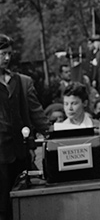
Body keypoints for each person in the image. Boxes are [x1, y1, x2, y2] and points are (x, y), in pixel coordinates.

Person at [0, 34, 50, 220]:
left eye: (9, 54)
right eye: (3, 53)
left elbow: (37, 115)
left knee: (27, 203)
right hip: (0, 157)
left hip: (21, 155)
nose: (7, 58)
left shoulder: (23, 82)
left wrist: (52, 134)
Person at [61, 82, 100, 177]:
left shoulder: (98, 127)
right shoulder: (59, 129)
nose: (69, 108)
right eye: (66, 104)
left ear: (84, 103)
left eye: (74, 103)